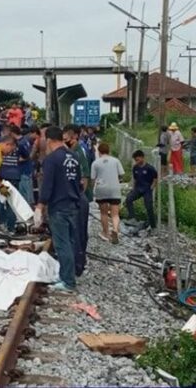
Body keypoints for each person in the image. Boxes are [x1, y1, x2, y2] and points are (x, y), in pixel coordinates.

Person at [35, 126, 83, 293]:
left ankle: (68, 281)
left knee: (62, 244)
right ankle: (66, 274)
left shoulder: (52, 159)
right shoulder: (74, 156)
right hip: (73, 204)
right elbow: (79, 182)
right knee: (69, 242)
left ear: (48, 140)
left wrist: (40, 205)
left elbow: (47, 185)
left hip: (59, 205)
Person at [63, 125, 92, 277]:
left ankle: (78, 265)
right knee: (78, 232)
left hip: (79, 198)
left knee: (78, 233)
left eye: (66, 138)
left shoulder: (79, 152)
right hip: (78, 197)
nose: (65, 141)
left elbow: (85, 177)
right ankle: (79, 262)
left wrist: (78, 196)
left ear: (74, 137)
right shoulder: (75, 151)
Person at [91, 142, 125, 244]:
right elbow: (121, 175)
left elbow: (93, 178)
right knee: (115, 214)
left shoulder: (96, 163)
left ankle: (105, 233)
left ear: (99, 151)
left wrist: (93, 190)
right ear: (109, 151)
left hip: (102, 189)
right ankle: (115, 230)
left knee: (104, 213)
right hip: (114, 188)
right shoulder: (116, 161)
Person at [0, 125, 23, 233]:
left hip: (2, 175)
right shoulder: (19, 144)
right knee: (10, 202)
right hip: (14, 176)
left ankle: (3, 222)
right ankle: (10, 227)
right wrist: (16, 161)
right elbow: (26, 155)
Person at [125, 150, 158, 229]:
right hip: (138, 188)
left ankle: (153, 226)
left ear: (142, 157)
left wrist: (152, 187)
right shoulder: (135, 168)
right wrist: (133, 189)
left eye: (138, 160)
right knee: (128, 199)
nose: (137, 161)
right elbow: (135, 179)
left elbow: (155, 178)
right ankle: (132, 218)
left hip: (147, 189)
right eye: (135, 160)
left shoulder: (150, 168)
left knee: (149, 206)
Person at [18, 128, 38, 206]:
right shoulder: (25, 142)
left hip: (26, 171)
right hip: (26, 171)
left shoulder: (25, 142)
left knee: (26, 192)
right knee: (27, 192)